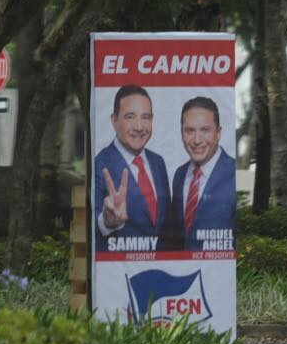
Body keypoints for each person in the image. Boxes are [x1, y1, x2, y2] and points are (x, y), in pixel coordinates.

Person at [93, 84, 172, 252]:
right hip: (121, 273)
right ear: (114, 120)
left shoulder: (158, 162)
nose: (139, 126)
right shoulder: (100, 164)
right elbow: (93, 223)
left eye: (146, 117)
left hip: (162, 271)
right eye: (130, 117)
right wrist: (108, 221)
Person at [163, 96, 236, 251]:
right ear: (182, 133)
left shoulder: (232, 172)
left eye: (205, 130)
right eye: (190, 131)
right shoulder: (180, 175)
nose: (197, 140)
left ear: (218, 133)